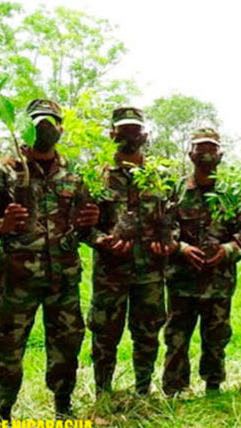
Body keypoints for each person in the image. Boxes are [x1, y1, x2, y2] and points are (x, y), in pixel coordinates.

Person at [0, 99, 99, 420]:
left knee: (67, 345)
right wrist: (1, 225)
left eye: (51, 123)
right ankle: (2, 412)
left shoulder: (74, 176)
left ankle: (63, 406)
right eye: (37, 123)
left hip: (64, 279)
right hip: (17, 281)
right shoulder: (4, 170)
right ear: (26, 127)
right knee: (9, 348)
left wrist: (91, 224)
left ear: (61, 128)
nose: (44, 128)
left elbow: (85, 229)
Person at [89, 107, 178, 395]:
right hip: (110, 272)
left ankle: (143, 388)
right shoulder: (97, 176)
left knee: (148, 331)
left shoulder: (160, 176)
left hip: (150, 270)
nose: (130, 135)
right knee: (105, 332)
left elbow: (174, 219)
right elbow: (82, 224)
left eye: (135, 129)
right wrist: (102, 240)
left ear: (145, 134)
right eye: (123, 129)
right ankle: (103, 390)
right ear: (111, 134)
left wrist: (170, 240)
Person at [162, 128, 241, 395]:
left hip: (219, 282)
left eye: (211, 149)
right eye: (200, 149)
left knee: (216, 337)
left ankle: (213, 387)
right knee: (176, 337)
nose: (206, 155)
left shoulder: (231, 194)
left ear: (220, 154)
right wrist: (181, 249)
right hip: (181, 280)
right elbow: (165, 228)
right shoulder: (175, 190)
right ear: (191, 154)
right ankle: (175, 389)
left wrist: (225, 250)